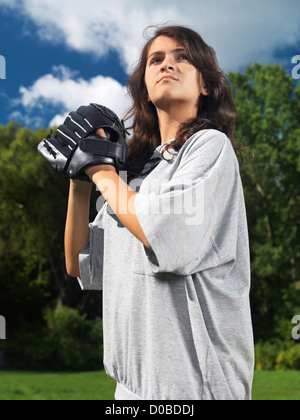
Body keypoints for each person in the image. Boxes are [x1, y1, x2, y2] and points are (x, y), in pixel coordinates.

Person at [64, 25, 255, 400]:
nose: (168, 64)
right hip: (130, 388)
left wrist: (100, 170)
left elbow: (161, 232)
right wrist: (79, 180)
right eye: (157, 59)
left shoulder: (208, 148)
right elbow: (80, 264)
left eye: (183, 57)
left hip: (196, 386)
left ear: (205, 85)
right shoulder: (131, 173)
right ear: (145, 89)